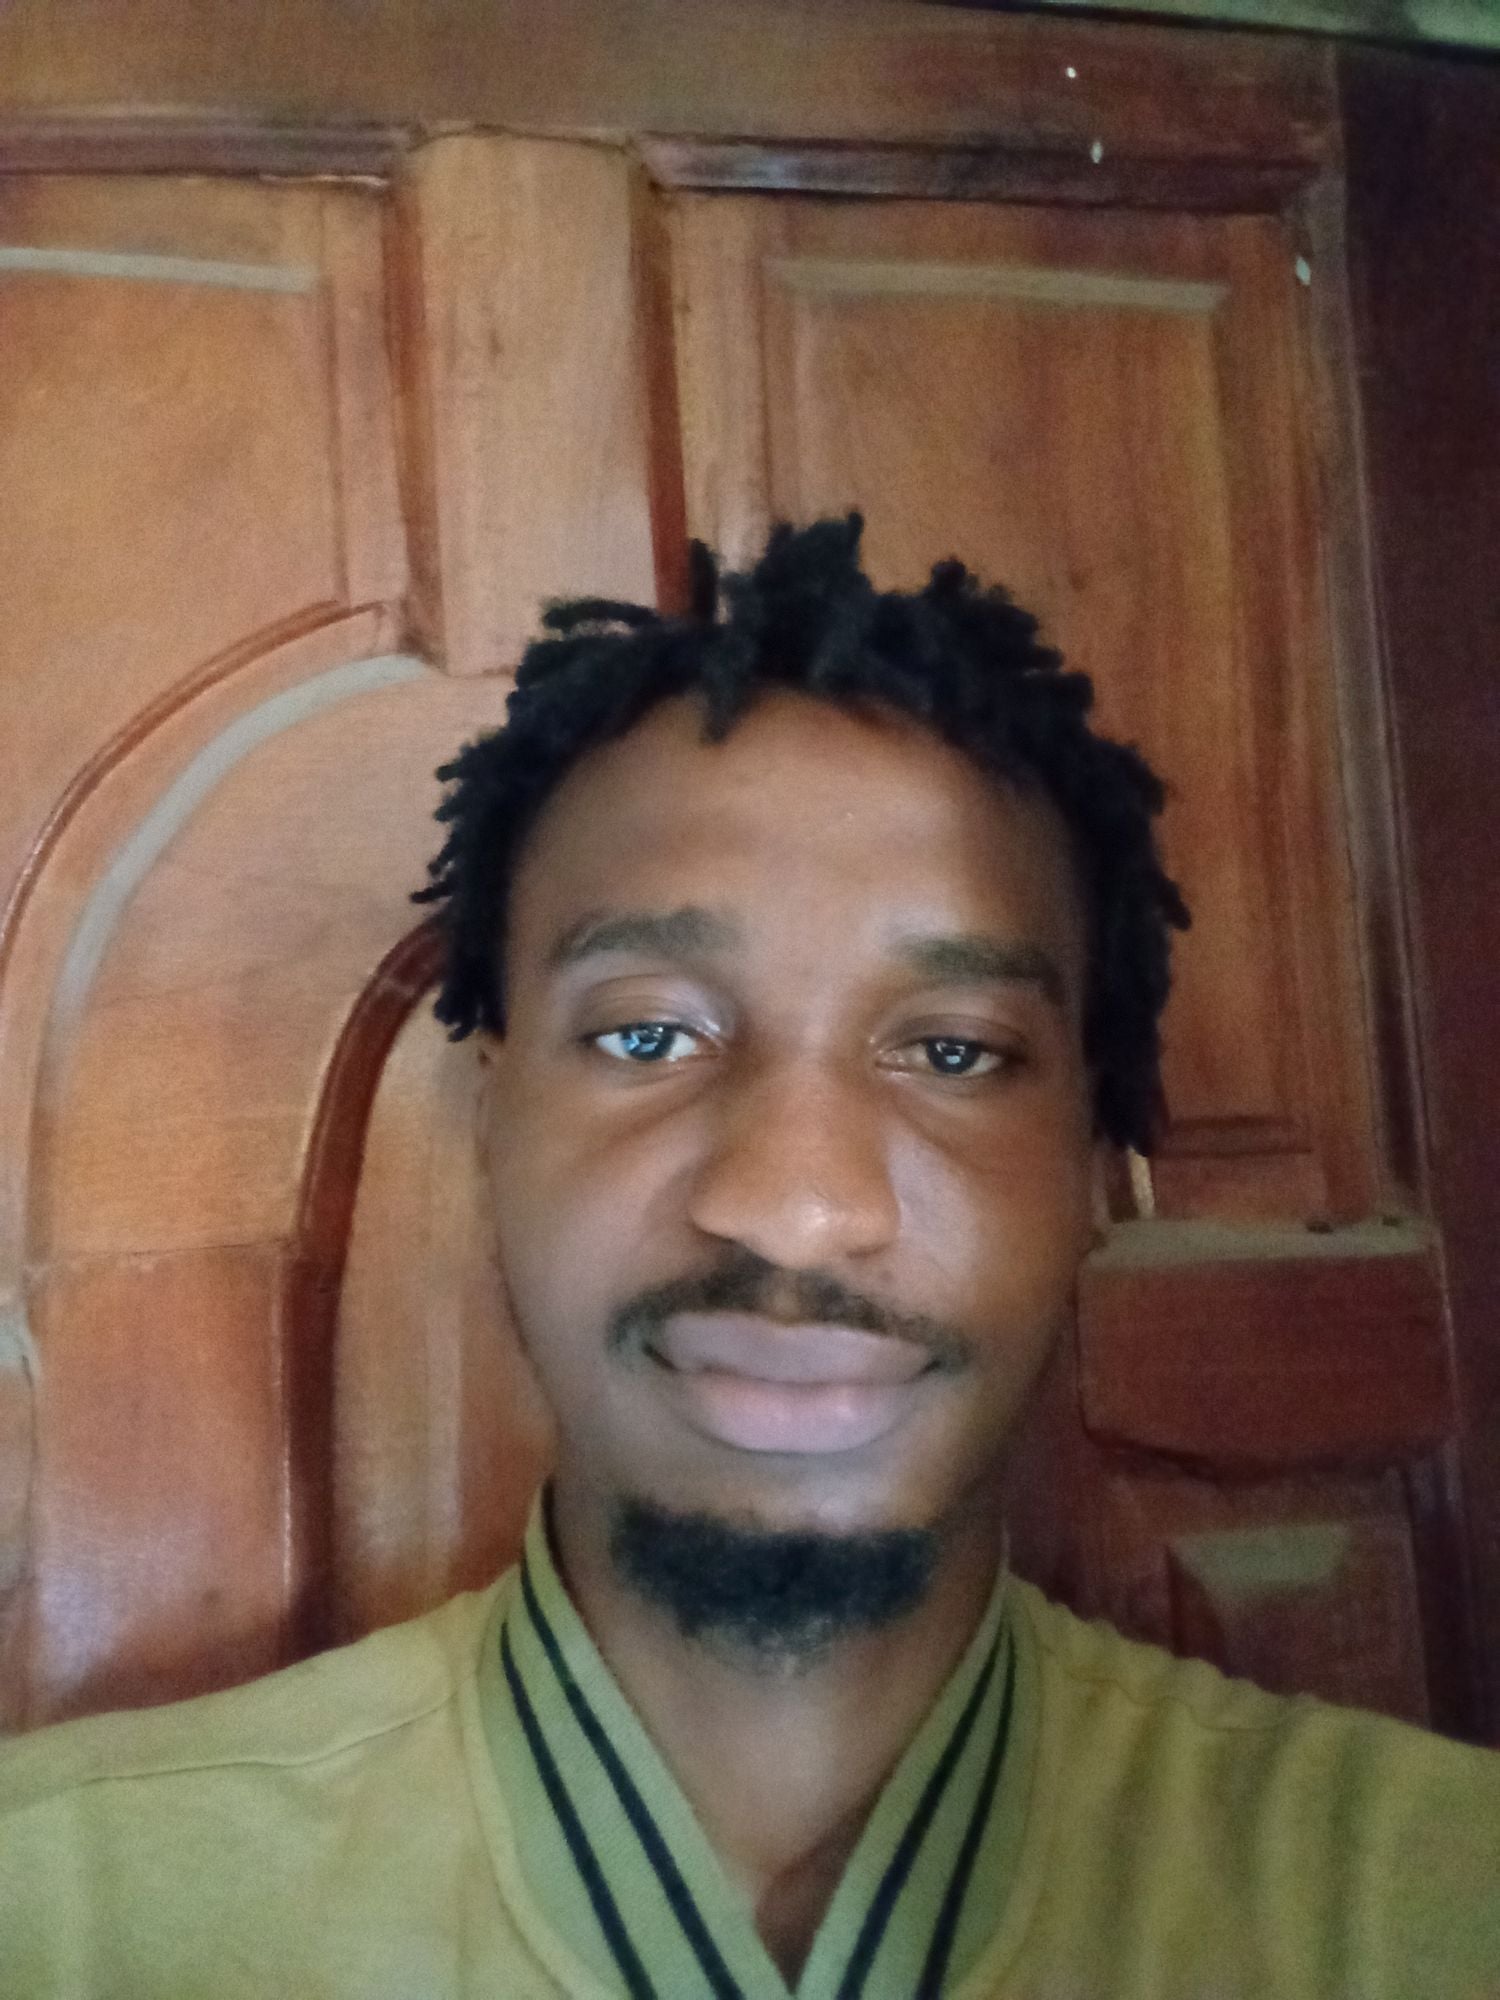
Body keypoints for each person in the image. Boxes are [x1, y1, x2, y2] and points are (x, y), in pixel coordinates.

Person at [0, 518, 1495, 1998]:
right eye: (649, 1035)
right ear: (493, 1121)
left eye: (954, 1052)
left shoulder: (1433, 1900)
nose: (794, 1205)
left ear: (1087, 1168)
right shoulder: (68, 1919)